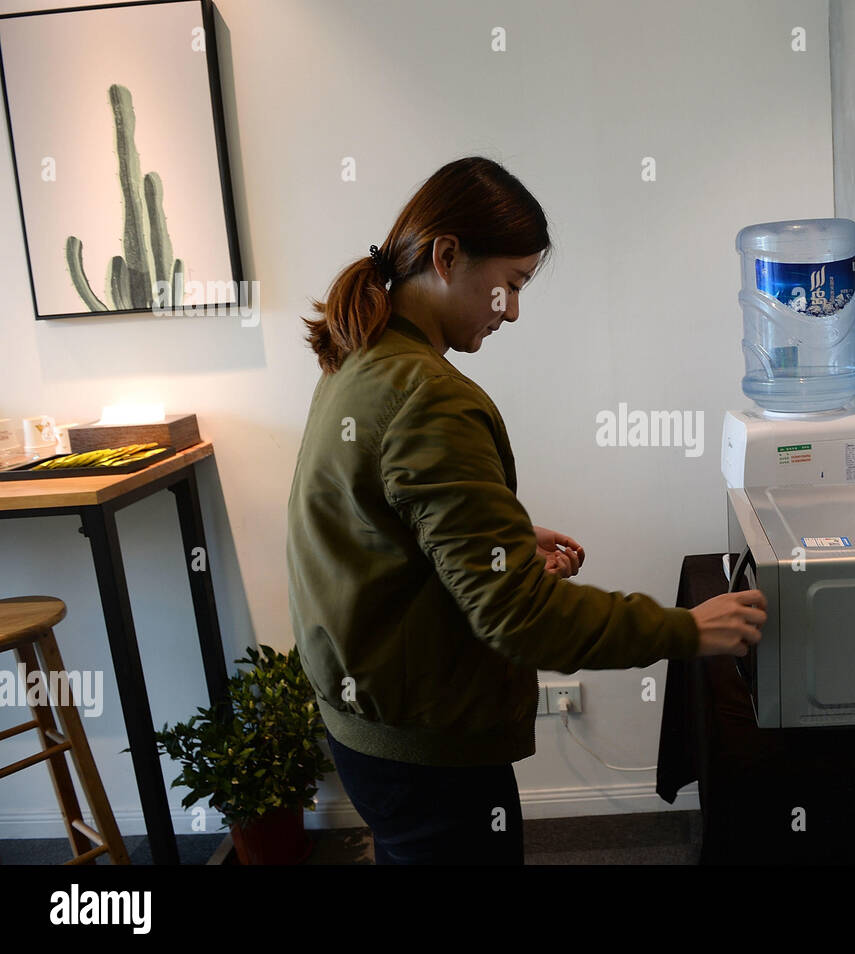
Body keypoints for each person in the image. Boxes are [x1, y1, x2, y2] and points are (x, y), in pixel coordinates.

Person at [286, 156, 766, 865]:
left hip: (369, 726)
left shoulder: (363, 360)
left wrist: (499, 543)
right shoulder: (429, 395)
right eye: (509, 284)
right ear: (447, 256)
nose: (512, 307)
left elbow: (376, 530)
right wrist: (686, 629)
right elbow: (520, 617)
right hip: (430, 752)